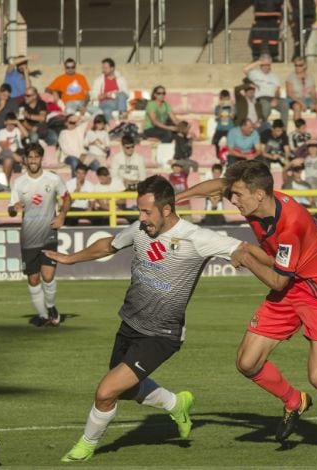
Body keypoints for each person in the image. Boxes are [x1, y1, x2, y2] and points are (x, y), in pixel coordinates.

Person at [175, 160, 317, 456]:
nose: (233, 201)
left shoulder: (290, 226)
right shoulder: (256, 199)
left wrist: (246, 258)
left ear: (259, 195)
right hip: (288, 287)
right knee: (247, 362)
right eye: (233, 195)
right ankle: (294, 401)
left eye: (238, 196)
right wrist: (176, 199)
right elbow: (219, 186)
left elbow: (277, 281)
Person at [43, 175, 246, 462]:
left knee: (106, 392)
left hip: (162, 334)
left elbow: (242, 249)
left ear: (166, 209)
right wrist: (70, 258)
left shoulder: (195, 237)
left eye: (146, 211)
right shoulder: (141, 229)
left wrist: (278, 267)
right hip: (130, 323)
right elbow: (109, 245)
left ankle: (86, 446)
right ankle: (175, 403)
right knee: (125, 390)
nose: (141, 217)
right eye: (139, 210)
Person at [7, 143, 71, 327]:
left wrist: (62, 215)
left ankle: (50, 307)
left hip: (48, 234)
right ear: (25, 160)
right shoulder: (19, 182)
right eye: (30, 157)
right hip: (29, 237)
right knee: (33, 279)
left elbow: (67, 198)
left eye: (36, 157)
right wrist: (14, 208)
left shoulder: (53, 179)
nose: (33, 160)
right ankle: (43, 316)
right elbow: (11, 210)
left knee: (48, 276)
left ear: (41, 158)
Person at [243, 55, 290, 128]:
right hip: (260, 98)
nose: (265, 67)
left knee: (285, 104)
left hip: (272, 98)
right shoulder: (254, 73)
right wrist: (259, 62)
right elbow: (245, 69)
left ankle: (283, 130)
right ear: (260, 65)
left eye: (267, 65)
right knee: (266, 106)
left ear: (270, 65)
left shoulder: (274, 76)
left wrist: (275, 98)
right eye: (263, 65)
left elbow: (277, 91)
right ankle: (261, 127)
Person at [285, 57, 317, 122]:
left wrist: (313, 102)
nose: (297, 67)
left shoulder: (310, 77)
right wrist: (301, 103)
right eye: (296, 65)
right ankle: (298, 126)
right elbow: (289, 93)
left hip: (307, 99)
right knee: (297, 107)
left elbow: (313, 93)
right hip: (294, 99)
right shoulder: (290, 77)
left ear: (304, 66)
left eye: (300, 65)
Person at [0, 112, 28, 184]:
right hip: (7, 152)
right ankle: (6, 184)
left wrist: (17, 122)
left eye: (12, 124)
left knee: (29, 156)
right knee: (8, 159)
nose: (10, 126)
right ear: (5, 123)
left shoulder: (17, 130)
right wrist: (14, 155)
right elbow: (4, 147)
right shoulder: (2, 132)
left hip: (19, 151)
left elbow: (26, 134)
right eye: (9, 124)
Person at [212, 89, 235, 158]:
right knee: (214, 142)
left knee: (231, 144)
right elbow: (218, 117)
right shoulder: (217, 107)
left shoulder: (232, 107)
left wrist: (232, 107)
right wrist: (221, 107)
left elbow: (233, 116)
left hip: (229, 129)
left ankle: (229, 156)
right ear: (221, 99)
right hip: (220, 129)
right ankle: (218, 156)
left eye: (227, 99)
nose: (225, 101)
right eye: (223, 99)